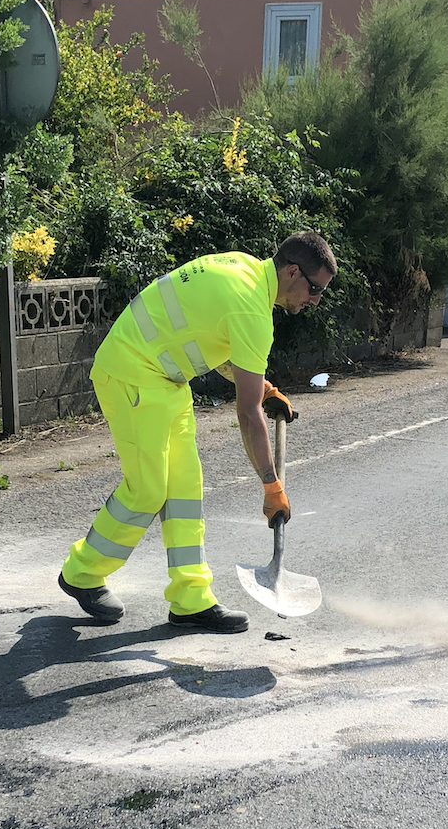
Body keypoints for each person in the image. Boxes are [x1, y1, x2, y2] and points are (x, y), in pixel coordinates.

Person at [56, 232, 337, 634]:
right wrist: (271, 486)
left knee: (185, 489)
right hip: (131, 371)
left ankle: (191, 599)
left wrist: (265, 389)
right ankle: (82, 573)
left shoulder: (244, 268)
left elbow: (216, 340)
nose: (315, 300)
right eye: (315, 289)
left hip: (167, 380)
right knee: (148, 489)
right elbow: (247, 413)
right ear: (293, 271)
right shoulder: (252, 311)